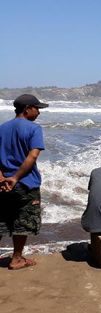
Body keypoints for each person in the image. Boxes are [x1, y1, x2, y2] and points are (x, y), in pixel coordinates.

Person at [0, 94, 49, 270]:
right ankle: (17, 258)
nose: (38, 112)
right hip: (25, 183)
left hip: (2, 184)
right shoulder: (34, 129)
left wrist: (2, 177)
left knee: (2, 220)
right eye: (37, 108)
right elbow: (33, 155)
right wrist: (16, 177)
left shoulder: (2, 128)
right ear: (27, 109)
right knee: (23, 220)